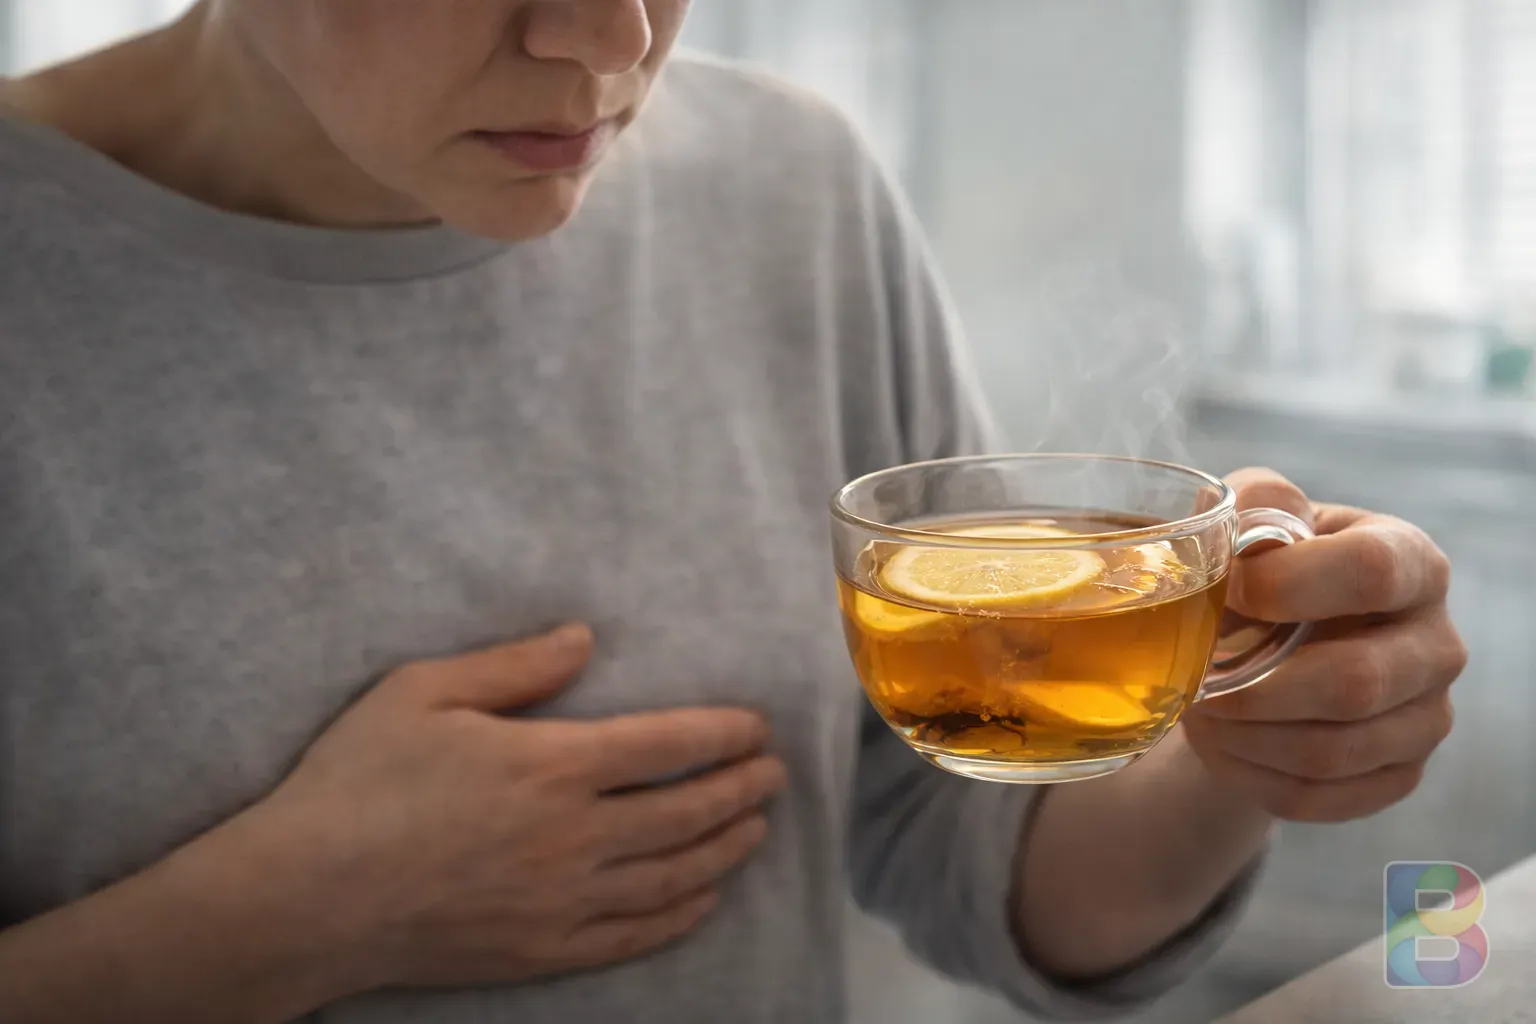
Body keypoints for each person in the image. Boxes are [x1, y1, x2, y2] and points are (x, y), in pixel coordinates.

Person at [0, 3, 1466, 1022]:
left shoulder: (789, 186)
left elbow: (975, 864)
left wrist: (1239, 745)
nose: (608, 39)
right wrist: (288, 922)